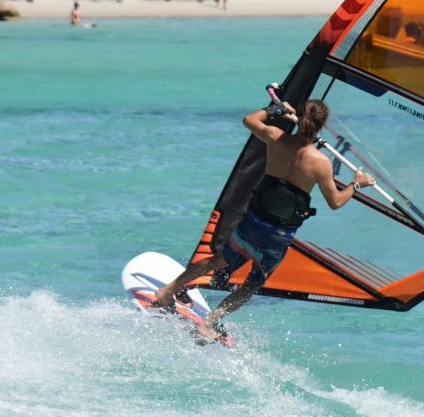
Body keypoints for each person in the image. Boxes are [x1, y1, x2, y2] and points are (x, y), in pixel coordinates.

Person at [154, 98, 375, 342]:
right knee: (252, 283)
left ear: (299, 117)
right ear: (321, 125)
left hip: (253, 220)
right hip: (277, 234)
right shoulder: (321, 163)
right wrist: (357, 184)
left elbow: (249, 119)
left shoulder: (276, 138)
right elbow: (336, 202)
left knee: (218, 260)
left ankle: (167, 290)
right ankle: (209, 324)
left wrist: (277, 109)